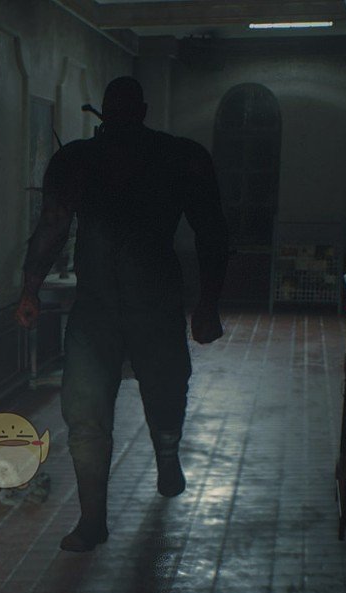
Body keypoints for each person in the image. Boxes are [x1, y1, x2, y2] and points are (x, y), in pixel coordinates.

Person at [16, 76, 230, 552]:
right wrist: (29, 288)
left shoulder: (176, 157)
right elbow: (52, 226)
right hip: (99, 307)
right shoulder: (84, 160)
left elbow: (212, 230)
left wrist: (209, 303)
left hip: (151, 302)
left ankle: (167, 457)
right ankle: (93, 519)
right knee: (86, 412)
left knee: (165, 391)